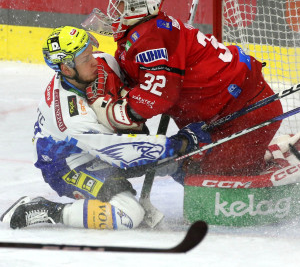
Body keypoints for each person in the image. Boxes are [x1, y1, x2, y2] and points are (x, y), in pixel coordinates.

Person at [1, 25, 209, 230]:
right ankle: (48, 210)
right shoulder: (72, 117)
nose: (94, 61)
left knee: (179, 161)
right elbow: (121, 151)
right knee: (128, 214)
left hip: (100, 148)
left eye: (90, 53)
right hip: (68, 165)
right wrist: (180, 143)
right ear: (66, 69)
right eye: (85, 60)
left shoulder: (103, 63)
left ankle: (207, 203)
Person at [82, 0, 283, 177]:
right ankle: (254, 157)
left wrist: (120, 113)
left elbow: (159, 96)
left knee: (198, 174)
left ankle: (256, 160)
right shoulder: (144, 32)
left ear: (138, 6)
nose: (115, 10)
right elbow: (143, 79)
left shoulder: (151, 38)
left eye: (121, 4)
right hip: (227, 110)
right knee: (189, 167)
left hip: (246, 112)